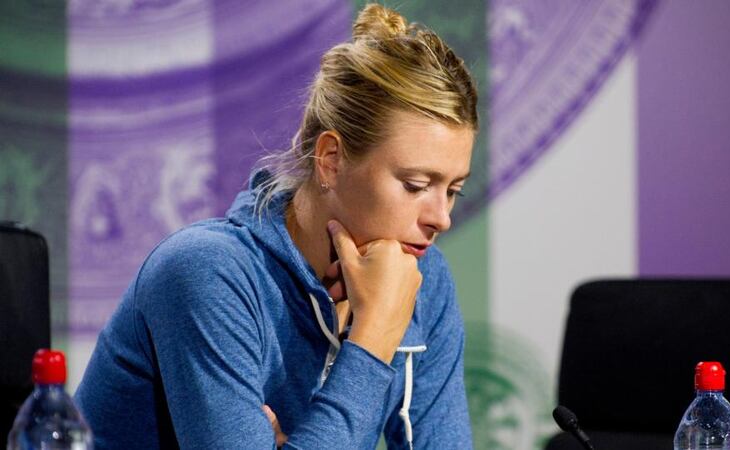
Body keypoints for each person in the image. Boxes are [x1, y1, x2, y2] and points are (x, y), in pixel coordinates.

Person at [75, 3, 478, 449]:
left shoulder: (424, 278)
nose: (440, 217)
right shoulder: (206, 273)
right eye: (416, 185)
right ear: (331, 159)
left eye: (453, 189)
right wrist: (374, 338)